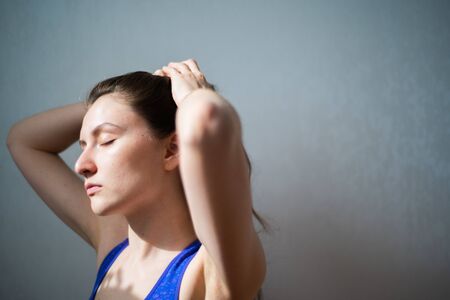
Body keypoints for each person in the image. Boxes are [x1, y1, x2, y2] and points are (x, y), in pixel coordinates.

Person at [7, 59, 267, 299]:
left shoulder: (210, 272)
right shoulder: (113, 246)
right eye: (83, 145)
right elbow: (22, 139)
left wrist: (189, 96)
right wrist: (121, 101)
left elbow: (207, 119)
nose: (81, 165)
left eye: (106, 140)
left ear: (172, 149)